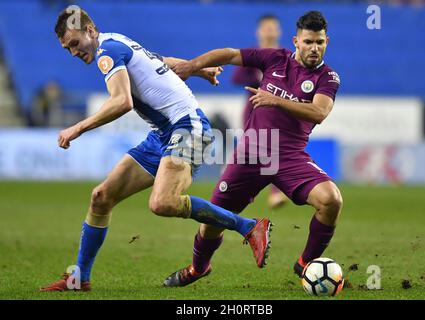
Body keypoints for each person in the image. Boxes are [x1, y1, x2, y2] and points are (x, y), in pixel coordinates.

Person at [40, 6, 271, 292]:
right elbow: (159, 62)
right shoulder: (117, 41)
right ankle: (79, 279)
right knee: (100, 197)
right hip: (163, 134)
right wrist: (198, 69)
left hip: (188, 128)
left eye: (74, 44)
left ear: (89, 31)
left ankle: (248, 226)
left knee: (162, 202)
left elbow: (122, 101)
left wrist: (77, 128)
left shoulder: (107, 51)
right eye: (67, 49)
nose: (73, 52)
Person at [164, 11, 342, 287]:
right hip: (253, 152)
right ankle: (198, 268)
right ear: (296, 41)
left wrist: (275, 100)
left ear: (327, 42)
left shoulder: (328, 77)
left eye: (319, 42)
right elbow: (228, 53)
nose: (314, 48)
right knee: (212, 219)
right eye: (308, 41)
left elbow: (318, 112)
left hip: (290, 156)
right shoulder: (274, 58)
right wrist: (191, 67)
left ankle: (305, 263)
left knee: (331, 200)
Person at [231, 14, 289, 210]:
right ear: (259, 31)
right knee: (254, 151)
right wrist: (257, 78)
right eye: (266, 27)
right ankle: (255, 190)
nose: (270, 30)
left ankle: (269, 191)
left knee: (274, 149)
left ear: (279, 30)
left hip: (279, 109)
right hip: (254, 109)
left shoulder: (287, 56)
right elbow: (236, 78)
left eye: (273, 27)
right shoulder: (252, 55)